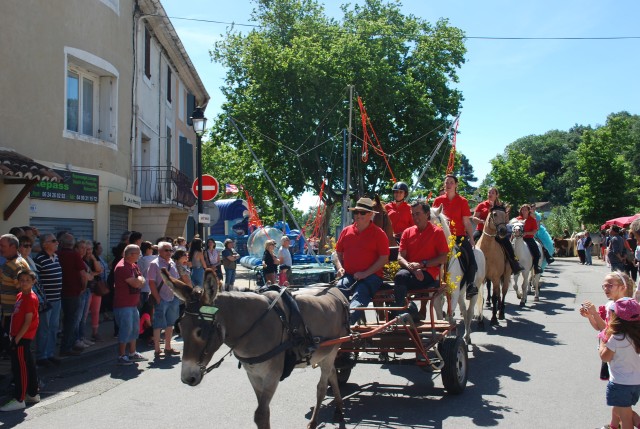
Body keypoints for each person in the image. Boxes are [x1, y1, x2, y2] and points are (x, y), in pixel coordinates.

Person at [335, 197, 390, 325]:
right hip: (349, 275)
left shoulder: (379, 234)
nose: (358, 215)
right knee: (338, 290)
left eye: (363, 212)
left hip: (372, 277)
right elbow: (338, 253)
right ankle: (333, 322)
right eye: (356, 212)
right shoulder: (346, 231)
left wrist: (365, 273)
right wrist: (339, 267)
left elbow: (384, 259)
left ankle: (346, 324)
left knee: (361, 292)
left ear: (371, 214)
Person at [393, 202, 449, 315]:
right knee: (399, 276)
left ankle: (402, 311)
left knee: (401, 278)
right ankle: (403, 311)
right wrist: (412, 268)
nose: (415, 217)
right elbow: (400, 257)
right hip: (411, 271)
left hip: (428, 273)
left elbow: (443, 258)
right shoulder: (407, 232)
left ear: (427, 214)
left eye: (417, 214)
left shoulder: (437, 232)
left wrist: (422, 265)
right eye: (413, 214)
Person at [0, 269, 40, 411]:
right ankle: (32, 393)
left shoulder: (30, 298)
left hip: (22, 338)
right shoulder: (20, 295)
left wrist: (16, 339)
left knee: (20, 368)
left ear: (33, 282)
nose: (24, 283)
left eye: (27, 280)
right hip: (18, 337)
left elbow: (28, 321)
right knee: (28, 365)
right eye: (22, 280)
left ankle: (20, 398)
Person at [432, 175, 478, 297]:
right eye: (446, 182)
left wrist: (472, 238)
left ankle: (470, 285)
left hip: (459, 237)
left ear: (456, 185)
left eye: (451, 182)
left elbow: (466, 222)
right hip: (440, 238)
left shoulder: (462, 201)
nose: (448, 185)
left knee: (471, 259)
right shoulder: (437, 201)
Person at [599, 298, 640, 429]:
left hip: (620, 384)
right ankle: (614, 426)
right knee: (620, 410)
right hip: (635, 383)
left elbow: (605, 357)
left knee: (626, 418)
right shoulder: (637, 336)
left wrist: (602, 342)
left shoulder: (617, 338)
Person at [472, 187, 523, 274]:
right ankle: (470, 265)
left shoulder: (501, 206)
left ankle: (514, 263)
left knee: (507, 243)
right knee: (471, 241)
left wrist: (506, 214)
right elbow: (474, 218)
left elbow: (506, 222)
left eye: (492, 193)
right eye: (489, 192)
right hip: (482, 230)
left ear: (497, 195)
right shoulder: (481, 205)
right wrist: (482, 221)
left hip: (496, 232)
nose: (490, 194)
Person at [113, 244, 148, 365]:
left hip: (133, 304)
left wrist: (139, 280)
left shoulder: (133, 265)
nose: (140, 256)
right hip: (123, 305)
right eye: (138, 254)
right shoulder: (122, 267)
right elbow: (136, 283)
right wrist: (139, 280)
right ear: (131, 254)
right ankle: (121, 355)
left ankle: (132, 353)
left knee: (134, 329)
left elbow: (142, 280)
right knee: (125, 330)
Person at [57, 233, 90, 357]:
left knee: (65, 320)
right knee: (71, 320)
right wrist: (83, 287)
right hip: (73, 292)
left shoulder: (57, 255)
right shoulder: (74, 255)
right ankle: (67, 346)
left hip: (59, 291)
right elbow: (83, 274)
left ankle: (66, 345)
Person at [147, 241, 181, 358]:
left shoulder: (172, 262)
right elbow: (151, 282)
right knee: (158, 324)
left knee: (170, 323)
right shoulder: (154, 264)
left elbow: (176, 280)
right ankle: (157, 349)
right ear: (160, 251)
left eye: (170, 250)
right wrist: (157, 298)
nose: (169, 252)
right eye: (166, 250)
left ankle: (168, 347)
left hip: (172, 297)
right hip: (161, 298)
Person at [33, 234, 63, 366]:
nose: (57, 243)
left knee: (54, 327)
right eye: (54, 241)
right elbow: (37, 282)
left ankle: (50, 353)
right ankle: (42, 355)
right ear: (45, 244)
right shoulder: (39, 259)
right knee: (44, 328)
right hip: (46, 300)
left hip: (56, 298)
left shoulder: (55, 257)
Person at [0, 234, 31, 356]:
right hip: (8, 313)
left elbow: (24, 292)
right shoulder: (11, 263)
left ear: (13, 247)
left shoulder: (16, 265)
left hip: (14, 315)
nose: (0, 248)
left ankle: (20, 374)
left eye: (3, 245)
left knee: (15, 350)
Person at [515, 204, 542, 274]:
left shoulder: (532, 220)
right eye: (522, 210)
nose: (523, 211)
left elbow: (534, 231)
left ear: (528, 211)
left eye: (525, 210)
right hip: (518, 239)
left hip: (528, 239)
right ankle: (512, 265)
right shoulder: (517, 219)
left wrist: (526, 233)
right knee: (511, 251)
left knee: (536, 252)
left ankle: (536, 267)